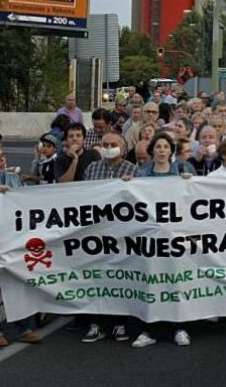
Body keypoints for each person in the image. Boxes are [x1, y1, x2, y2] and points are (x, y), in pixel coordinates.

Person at [126, 134, 195, 348]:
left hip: (175, 238)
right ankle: (149, 330)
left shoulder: (183, 170)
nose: (162, 150)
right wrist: (128, 185)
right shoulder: (142, 173)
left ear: (171, 150)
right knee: (151, 283)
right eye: (158, 146)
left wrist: (189, 183)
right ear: (152, 150)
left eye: (166, 147)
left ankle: (180, 328)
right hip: (151, 238)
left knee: (176, 281)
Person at [0, 142, 40, 346]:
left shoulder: (12, 177)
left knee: (19, 283)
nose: (2, 159)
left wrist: (11, 192)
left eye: (3, 155)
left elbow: (25, 204)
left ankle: (24, 327)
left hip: (14, 240)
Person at [79, 132, 137, 344]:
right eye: (105, 144)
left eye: (113, 144)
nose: (109, 147)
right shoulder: (92, 168)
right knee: (96, 278)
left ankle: (119, 322)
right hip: (97, 233)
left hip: (121, 234)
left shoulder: (132, 170)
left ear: (123, 148)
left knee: (119, 277)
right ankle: (96, 323)